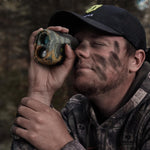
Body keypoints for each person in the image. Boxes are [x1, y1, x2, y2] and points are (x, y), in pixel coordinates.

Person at [11, 4, 150, 150]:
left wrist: (63, 144)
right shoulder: (77, 111)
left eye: (97, 43)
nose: (79, 52)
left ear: (135, 61)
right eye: (77, 43)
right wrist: (41, 91)